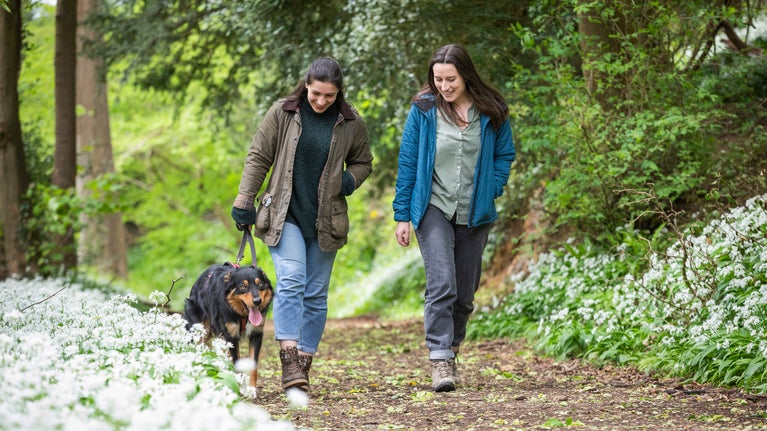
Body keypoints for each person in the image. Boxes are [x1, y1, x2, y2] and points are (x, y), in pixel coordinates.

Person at [231, 57, 373, 393]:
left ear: (338, 93)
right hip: (284, 213)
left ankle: (304, 361)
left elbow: (364, 162)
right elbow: (258, 156)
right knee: (292, 279)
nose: (322, 101)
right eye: (316, 94)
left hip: (327, 218)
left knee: (316, 293)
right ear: (306, 84)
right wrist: (243, 200)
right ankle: (289, 357)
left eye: (329, 96)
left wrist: (349, 181)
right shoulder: (283, 113)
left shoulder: (351, 122)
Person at [392, 44, 516, 392]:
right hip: (432, 206)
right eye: (438, 79)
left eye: (451, 79)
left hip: (475, 210)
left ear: (466, 75)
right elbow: (408, 162)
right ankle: (440, 357)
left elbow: (505, 154)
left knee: (464, 293)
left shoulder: (492, 110)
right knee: (442, 282)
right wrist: (402, 215)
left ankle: (453, 346)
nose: (444, 87)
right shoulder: (424, 109)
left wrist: (493, 186)